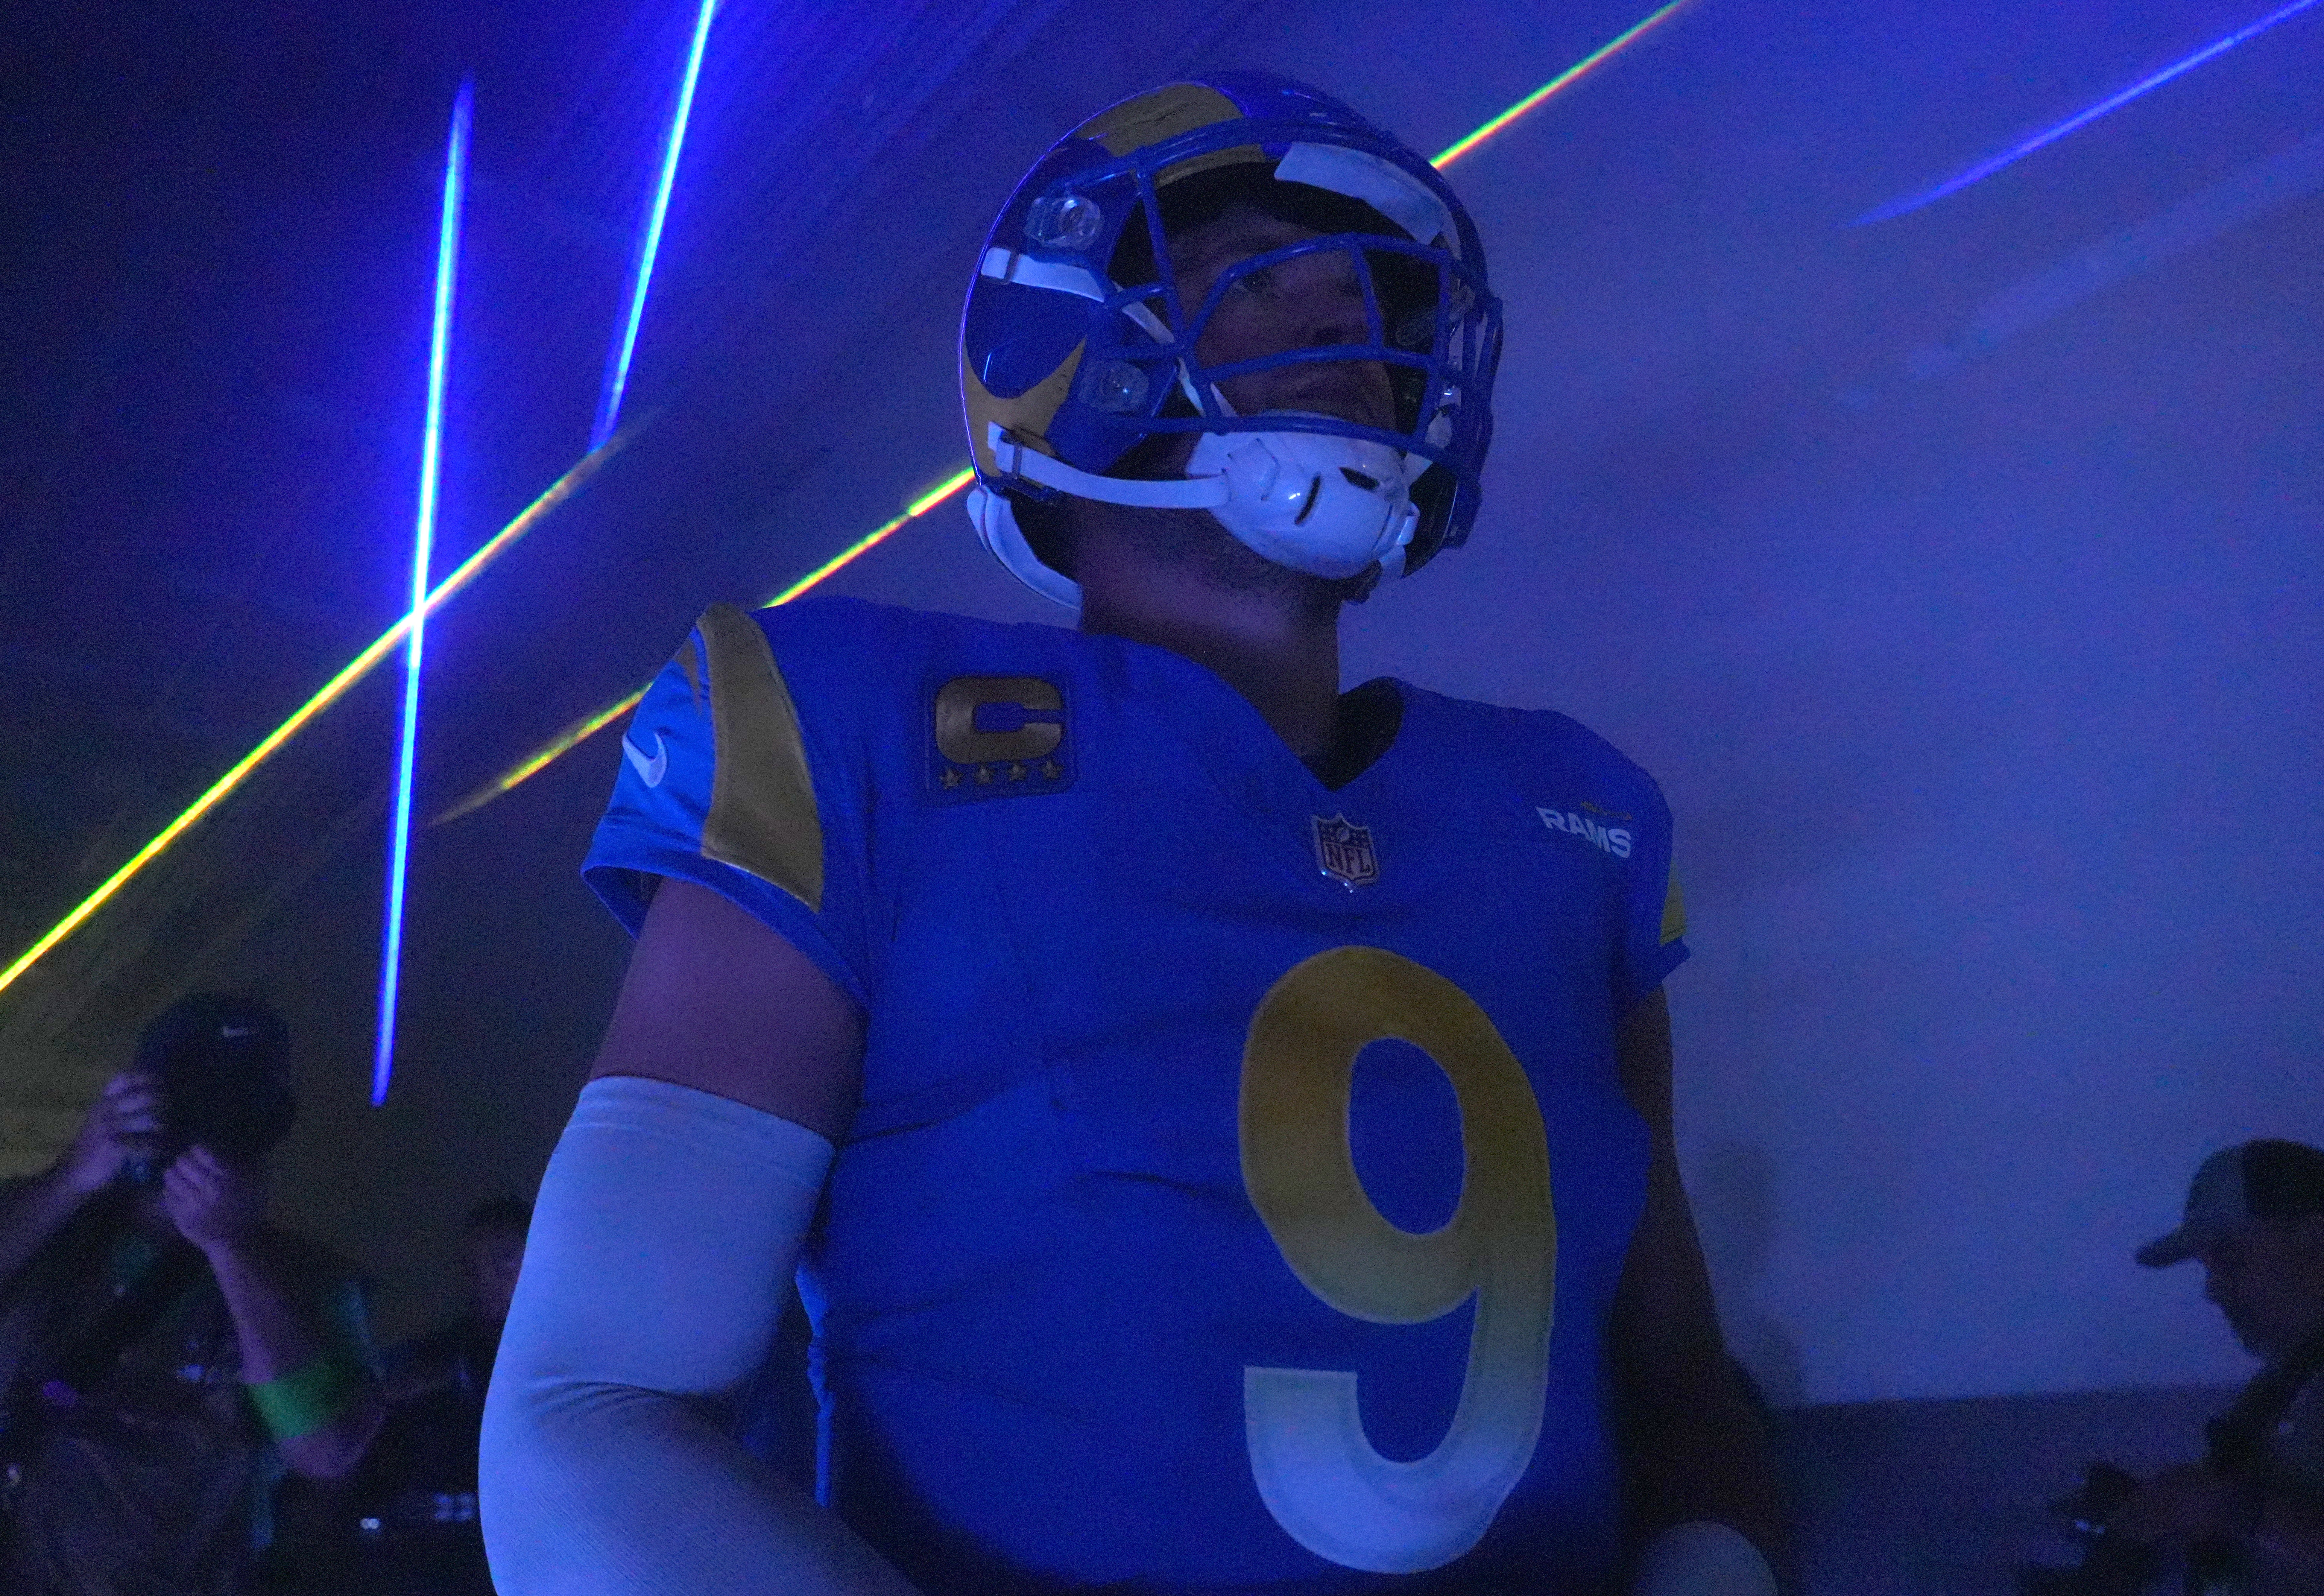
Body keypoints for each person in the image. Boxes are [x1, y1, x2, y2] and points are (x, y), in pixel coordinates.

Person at [483, 73, 1788, 1596]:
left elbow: (1680, 1384)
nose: (1340, 312)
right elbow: (586, 1421)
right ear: (1063, 344)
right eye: (1256, 261)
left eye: (1370, 285)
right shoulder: (841, 731)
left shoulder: (1580, 821)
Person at [0, 992, 382, 1595]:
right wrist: (74, 1174)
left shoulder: (305, 1277)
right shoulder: (51, 1234)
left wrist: (232, 1251)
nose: (213, 1124)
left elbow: (328, 1453)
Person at [2114, 1140, 2324, 1594]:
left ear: (2318, 1240)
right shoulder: (2299, 1381)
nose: (2213, 1291)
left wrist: (2236, 1512)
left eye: (2230, 1260)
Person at [282, 1197, 528, 1595]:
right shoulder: (430, 1360)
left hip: (519, 1556)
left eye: (505, 1263)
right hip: (418, 1557)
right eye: (471, 1268)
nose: (486, 1281)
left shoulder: (572, 1365)